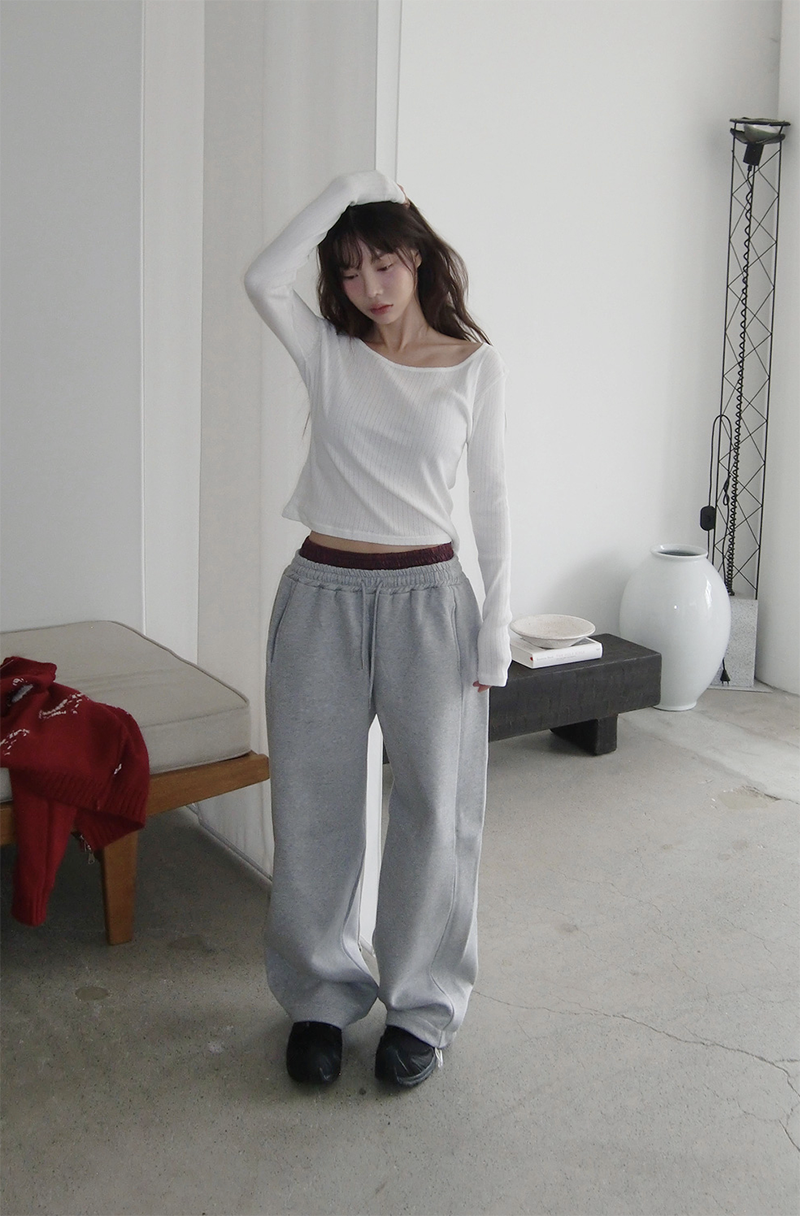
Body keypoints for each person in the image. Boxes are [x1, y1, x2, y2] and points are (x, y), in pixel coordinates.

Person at [244, 171, 511, 1088]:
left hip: (431, 600)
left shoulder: (474, 366)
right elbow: (260, 278)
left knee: (436, 808)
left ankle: (423, 1006)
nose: (369, 287)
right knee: (313, 803)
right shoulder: (328, 351)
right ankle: (320, 997)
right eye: (350, 270)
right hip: (321, 593)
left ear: (420, 257)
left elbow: (492, 502)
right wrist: (346, 190)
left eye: (385, 263)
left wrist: (497, 620)